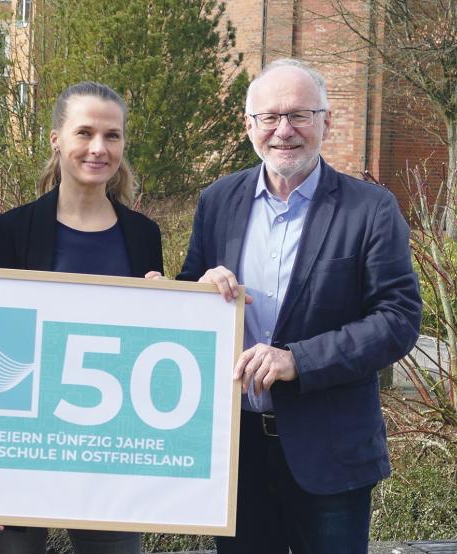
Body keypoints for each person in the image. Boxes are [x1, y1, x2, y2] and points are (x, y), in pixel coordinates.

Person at [175, 58, 421, 553]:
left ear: (326, 122)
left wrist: (296, 360)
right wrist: (198, 290)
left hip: (330, 455)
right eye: (269, 117)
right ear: (249, 126)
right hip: (235, 454)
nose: (284, 130)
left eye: (300, 115)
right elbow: (191, 304)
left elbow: (398, 319)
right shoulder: (217, 201)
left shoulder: (370, 209)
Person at [0, 81, 163, 554]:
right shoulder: (13, 229)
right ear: (56, 139)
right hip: (22, 451)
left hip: (113, 452)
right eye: (85, 133)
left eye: (113, 136)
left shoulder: (143, 235)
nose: (99, 148)